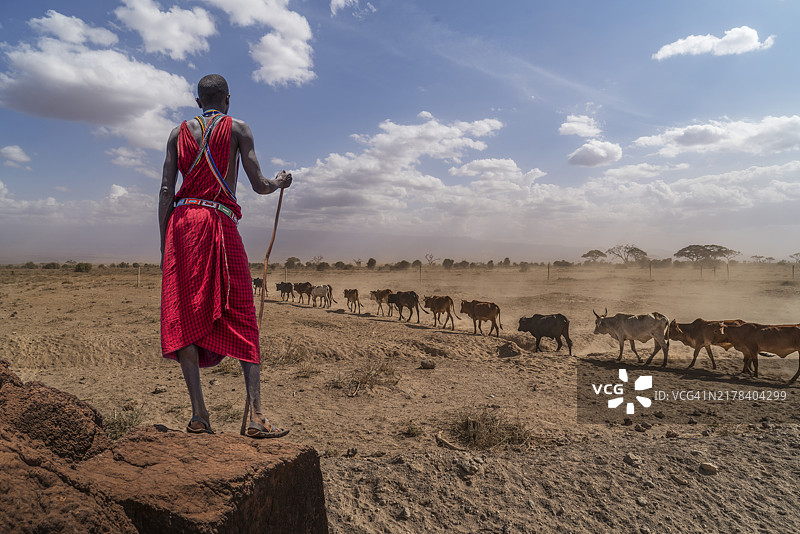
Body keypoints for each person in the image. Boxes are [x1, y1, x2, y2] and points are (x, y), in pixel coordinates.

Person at [159, 74, 291, 438]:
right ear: (227, 99)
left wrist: (162, 244)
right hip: (218, 221)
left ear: (198, 100)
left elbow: (167, 189)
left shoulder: (176, 133)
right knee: (243, 312)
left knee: (183, 315)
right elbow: (260, 185)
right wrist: (280, 183)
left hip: (182, 226)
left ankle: (199, 415)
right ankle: (256, 416)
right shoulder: (239, 129)